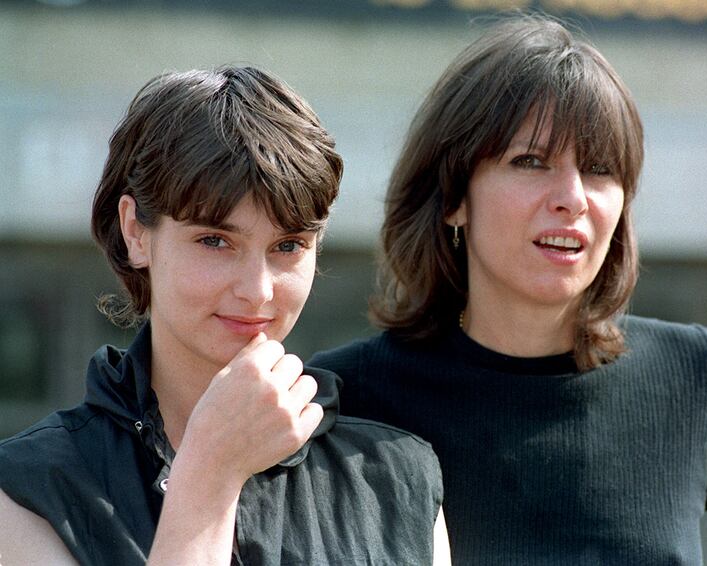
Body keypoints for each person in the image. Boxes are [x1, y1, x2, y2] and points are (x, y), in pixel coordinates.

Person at [309, 14, 707, 565]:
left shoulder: (703, 379)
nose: (572, 197)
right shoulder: (345, 400)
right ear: (453, 197)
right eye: (530, 161)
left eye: (598, 169)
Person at [0, 66, 449, 565]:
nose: (257, 291)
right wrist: (209, 474)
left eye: (288, 245)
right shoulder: (29, 493)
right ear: (136, 231)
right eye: (215, 241)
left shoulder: (397, 478)